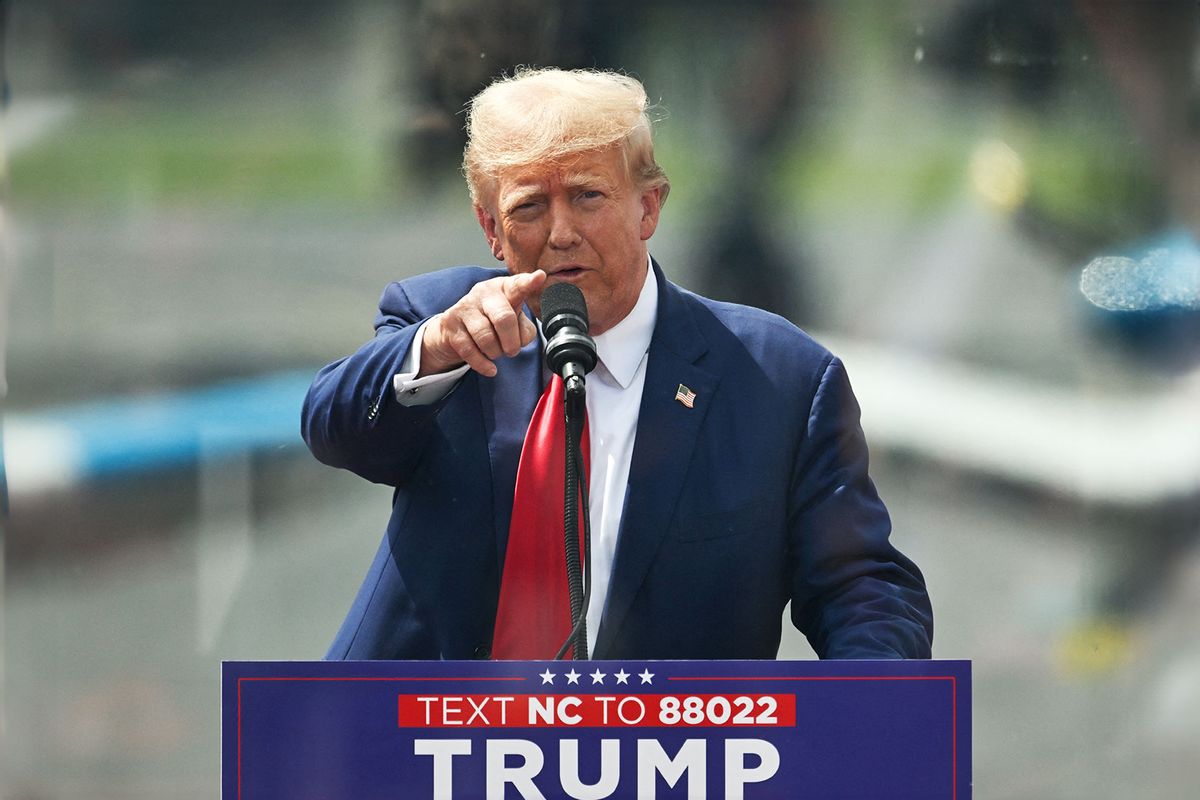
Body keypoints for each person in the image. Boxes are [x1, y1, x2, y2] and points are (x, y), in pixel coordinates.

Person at [303, 67, 933, 661]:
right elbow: (333, 426)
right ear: (491, 229)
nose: (561, 232)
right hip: (419, 754)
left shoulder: (779, 380)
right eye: (528, 207)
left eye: (587, 196)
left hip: (661, 760)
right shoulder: (441, 319)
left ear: (648, 207)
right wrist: (435, 348)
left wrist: (866, 707)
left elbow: (862, 588)